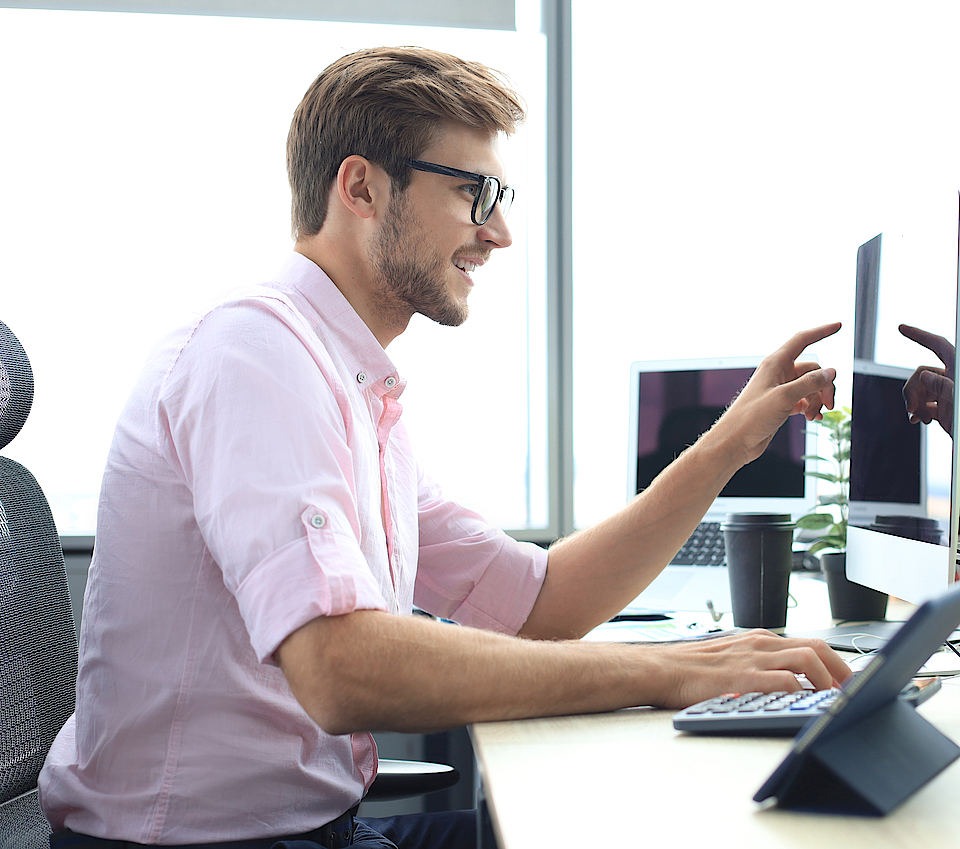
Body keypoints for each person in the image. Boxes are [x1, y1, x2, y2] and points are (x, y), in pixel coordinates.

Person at [39, 46, 850, 849]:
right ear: (361, 186)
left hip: (317, 832)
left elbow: (540, 606)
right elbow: (339, 664)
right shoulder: (255, 355)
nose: (498, 232)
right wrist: (672, 670)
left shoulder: (352, 391)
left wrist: (729, 444)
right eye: (474, 193)